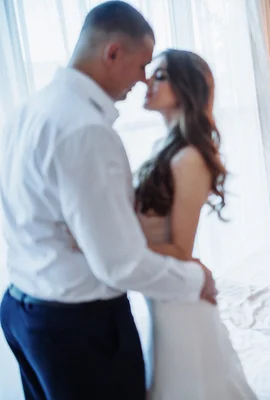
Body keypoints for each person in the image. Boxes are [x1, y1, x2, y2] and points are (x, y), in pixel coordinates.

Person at [0, 2, 216, 399]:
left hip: (21, 310)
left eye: (156, 73)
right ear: (113, 52)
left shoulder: (29, 111)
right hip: (76, 328)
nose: (142, 80)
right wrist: (195, 279)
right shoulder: (86, 130)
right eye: (141, 66)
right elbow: (121, 262)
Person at [137, 49, 256, 400]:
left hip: (178, 304)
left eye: (160, 76)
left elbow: (179, 249)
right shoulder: (165, 148)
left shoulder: (189, 157)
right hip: (160, 294)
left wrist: (106, 243)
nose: (147, 81)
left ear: (185, 88)